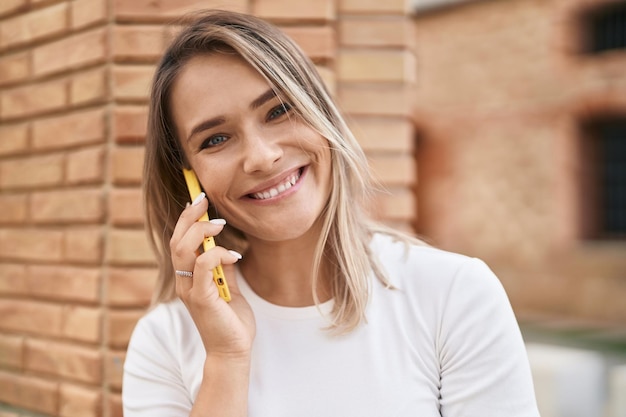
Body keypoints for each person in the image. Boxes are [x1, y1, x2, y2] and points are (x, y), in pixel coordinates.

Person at [122, 9, 540, 417]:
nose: (262, 157)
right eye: (215, 139)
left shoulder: (454, 295)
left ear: (321, 114)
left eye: (279, 110)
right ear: (190, 180)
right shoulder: (164, 342)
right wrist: (227, 359)